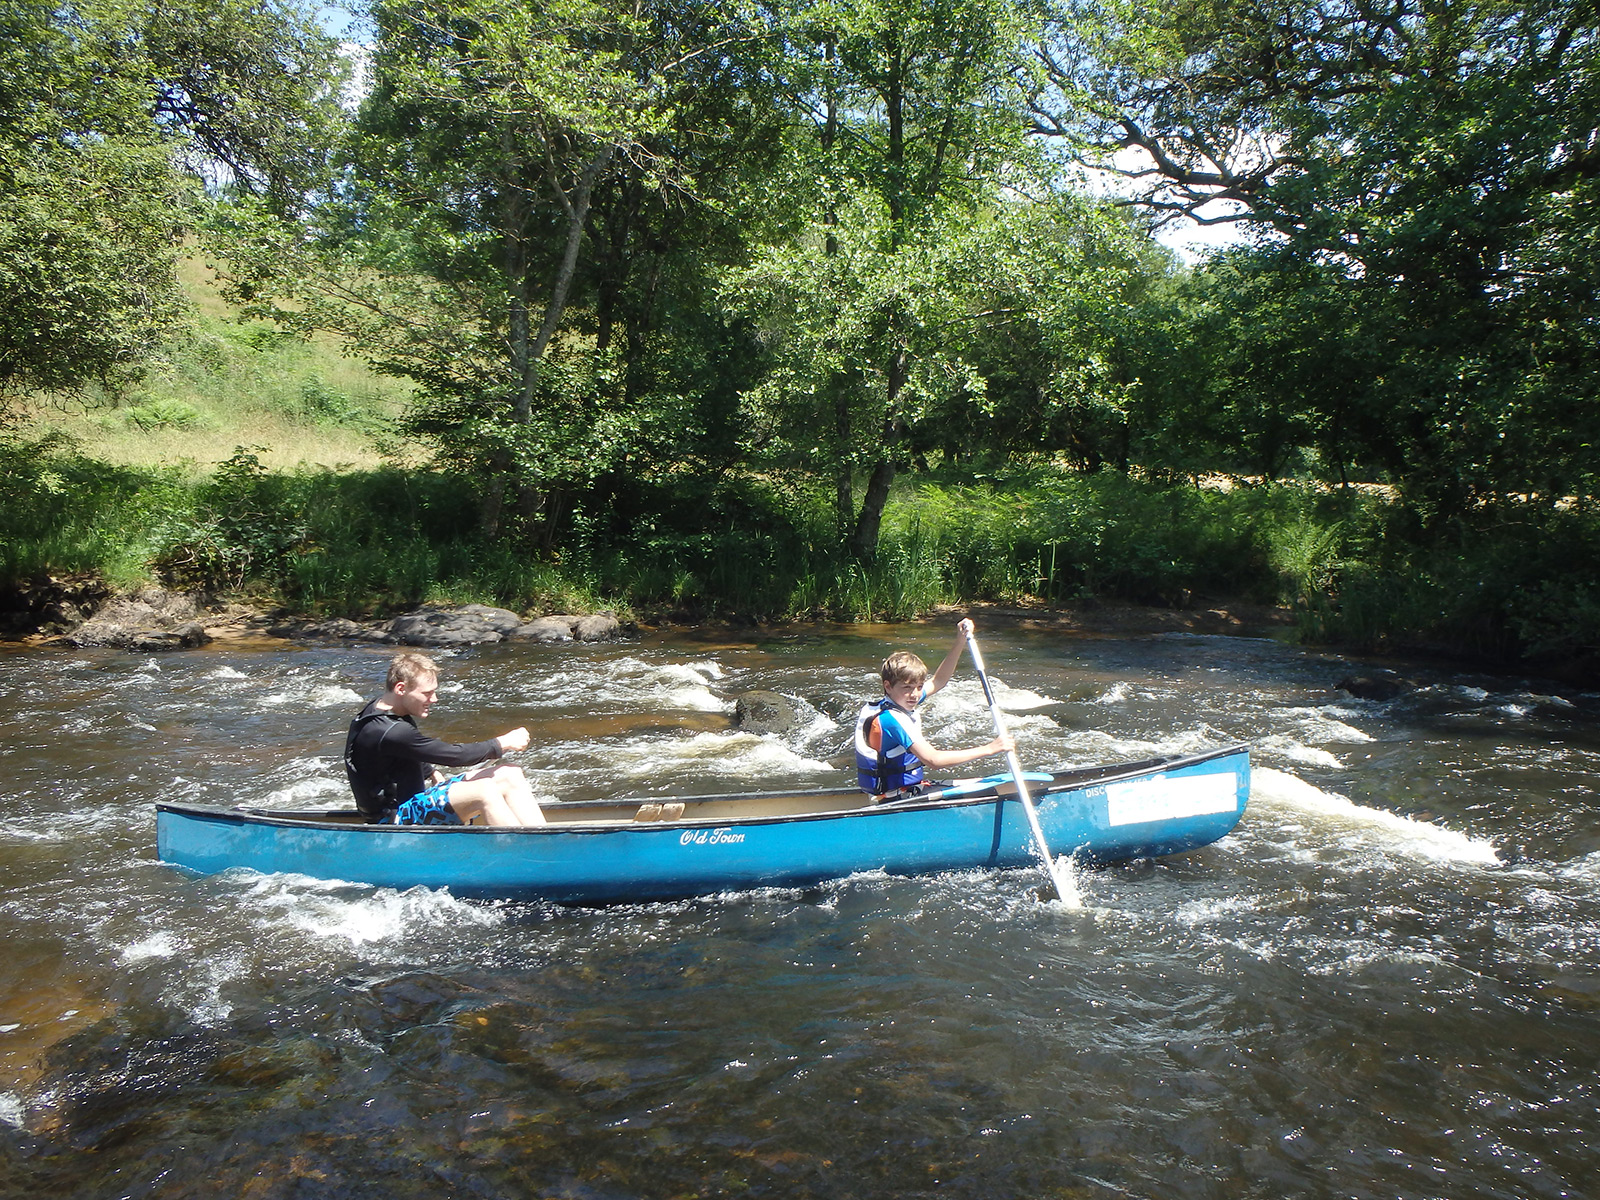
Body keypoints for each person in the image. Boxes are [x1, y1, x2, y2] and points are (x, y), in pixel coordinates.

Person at [344, 652, 545, 826]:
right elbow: (454, 755)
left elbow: (402, 752)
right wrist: (500, 743)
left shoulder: (382, 708)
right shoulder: (390, 731)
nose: (434, 699)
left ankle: (545, 841)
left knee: (510, 774)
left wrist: (431, 771)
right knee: (484, 790)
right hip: (394, 818)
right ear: (400, 689)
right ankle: (520, 853)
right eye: (427, 693)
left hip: (414, 801)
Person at [855, 617, 1014, 801]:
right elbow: (934, 760)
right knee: (986, 792)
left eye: (919, 687)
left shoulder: (898, 701)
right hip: (897, 799)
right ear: (888, 686)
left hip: (908, 789)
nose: (915, 694)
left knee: (981, 783)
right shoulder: (892, 719)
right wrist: (990, 748)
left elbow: (939, 681)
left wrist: (960, 639)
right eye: (907, 688)